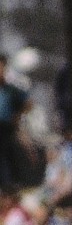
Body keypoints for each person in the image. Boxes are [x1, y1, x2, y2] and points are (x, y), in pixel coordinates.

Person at [0, 54, 31, 191]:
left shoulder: (10, 89)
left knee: (8, 158)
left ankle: (10, 187)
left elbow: (28, 103)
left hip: (6, 128)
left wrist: (16, 117)